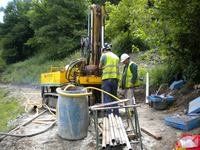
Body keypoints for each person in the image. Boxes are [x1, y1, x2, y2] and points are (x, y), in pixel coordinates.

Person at [99, 43, 120, 116]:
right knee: (114, 96)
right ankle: (116, 113)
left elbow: (100, 66)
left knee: (107, 96)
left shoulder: (104, 55)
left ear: (104, 49)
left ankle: (109, 114)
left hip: (107, 79)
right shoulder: (116, 57)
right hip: (115, 79)